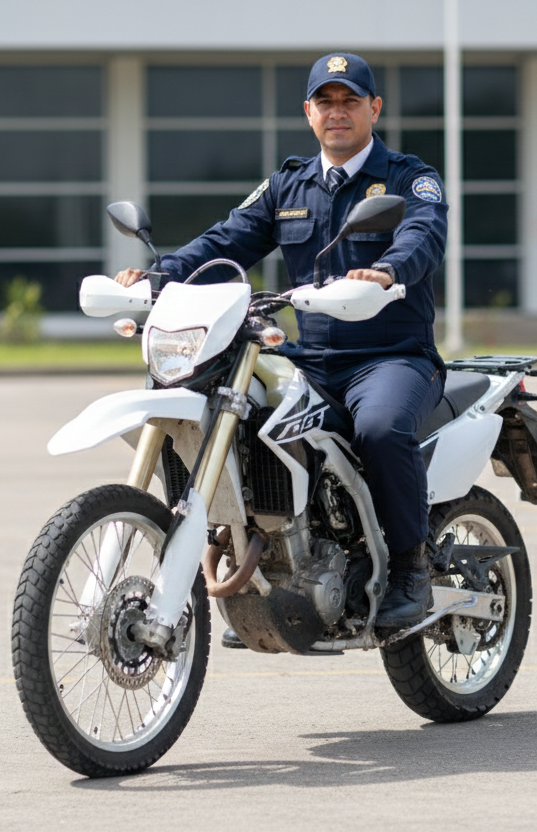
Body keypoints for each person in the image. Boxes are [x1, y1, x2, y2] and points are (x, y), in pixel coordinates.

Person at [115, 52, 448, 633]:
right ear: (309, 112)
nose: (337, 112)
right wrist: (159, 276)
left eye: (350, 101)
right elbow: (227, 242)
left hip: (390, 357)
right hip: (312, 359)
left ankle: (410, 569)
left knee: (379, 429)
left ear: (375, 108)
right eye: (326, 101)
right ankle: (264, 567)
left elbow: (424, 233)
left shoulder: (407, 177)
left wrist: (389, 271)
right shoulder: (288, 185)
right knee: (237, 413)